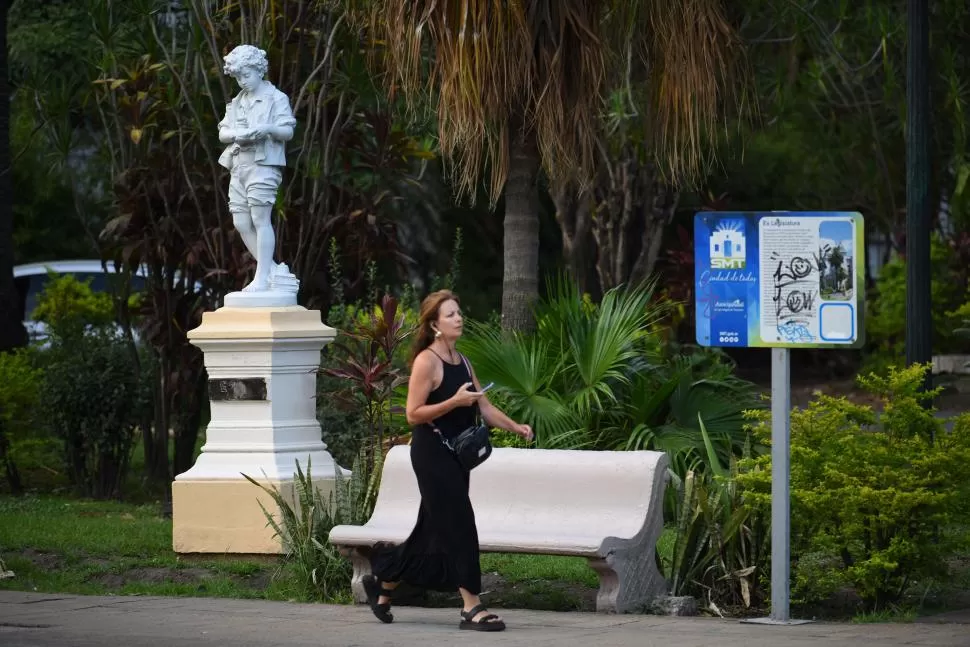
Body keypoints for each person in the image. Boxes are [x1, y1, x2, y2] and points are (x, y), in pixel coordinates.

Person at [364, 290, 534, 632]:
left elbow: (483, 406)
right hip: (431, 454)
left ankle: (384, 580)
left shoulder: (463, 360)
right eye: (451, 314)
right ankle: (471, 606)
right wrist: (453, 403)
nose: (459, 318)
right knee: (459, 524)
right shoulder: (427, 361)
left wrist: (516, 427)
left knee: (430, 531)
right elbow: (413, 414)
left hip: (457, 456)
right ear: (435, 325)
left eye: (459, 312)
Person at [218, 44, 296, 293]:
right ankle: (274, 272)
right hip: (239, 164)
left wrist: (267, 130)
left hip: (263, 165)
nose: (242, 81)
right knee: (241, 222)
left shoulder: (276, 98)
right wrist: (238, 134)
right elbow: (223, 132)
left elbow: (287, 131)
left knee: (260, 219)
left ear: (259, 70)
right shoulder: (237, 101)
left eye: (246, 75)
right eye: (238, 77)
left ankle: (262, 278)